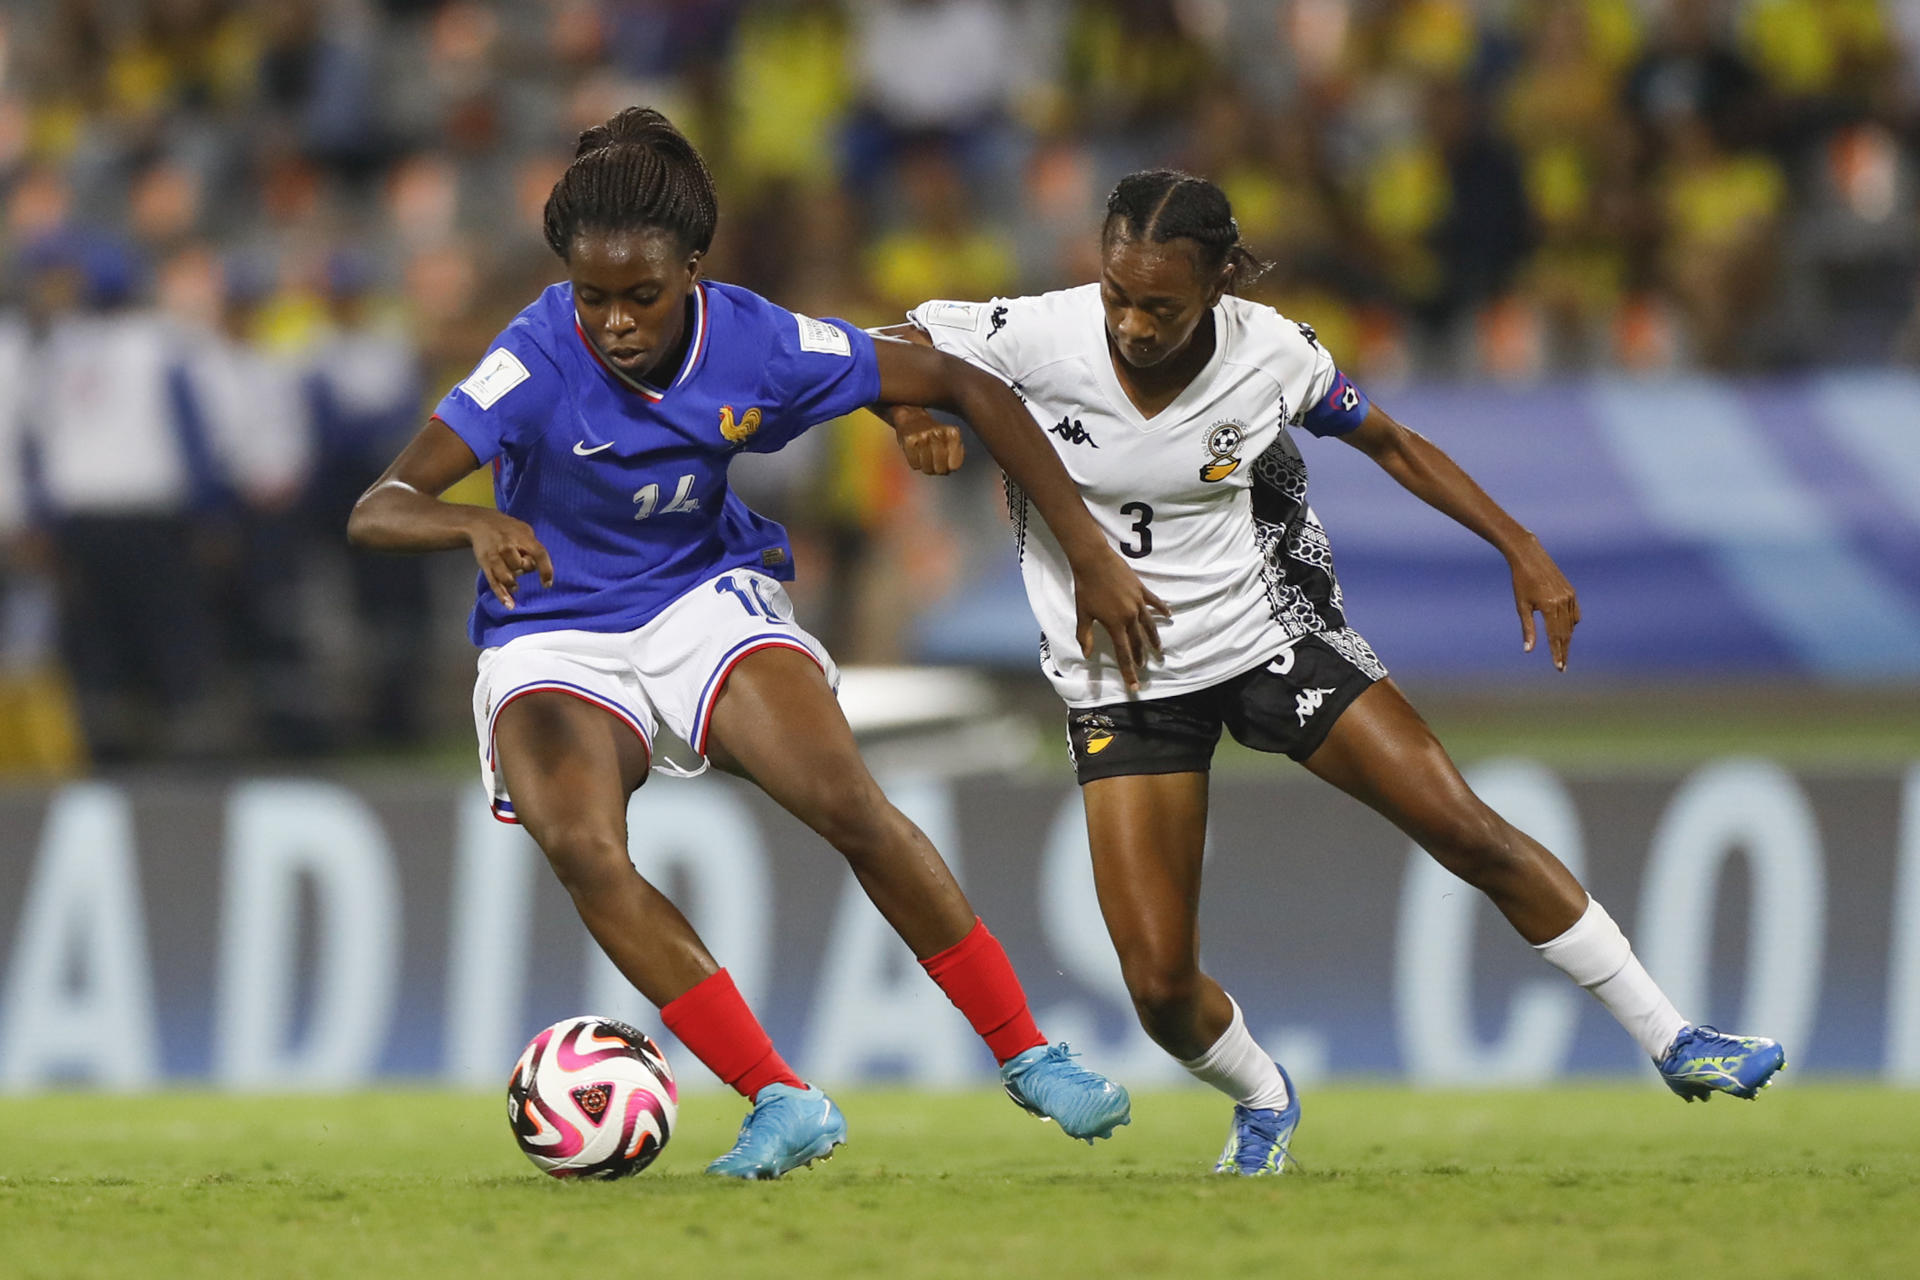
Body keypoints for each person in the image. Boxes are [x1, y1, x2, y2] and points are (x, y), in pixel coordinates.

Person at [879, 170, 1785, 1176]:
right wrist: (910, 415)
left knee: (1466, 828)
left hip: (1266, 638)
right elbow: (897, 347)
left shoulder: (1275, 353)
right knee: (1159, 987)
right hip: (1122, 680)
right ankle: (1262, 1093)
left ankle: (1675, 1036)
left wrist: (1519, 543)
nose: (1133, 324)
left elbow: (1389, 442)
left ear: (1220, 281)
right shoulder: (1031, 335)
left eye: (1161, 306)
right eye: (1118, 295)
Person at [347, 108, 1159, 1180]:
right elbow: (381, 502)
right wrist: (471, 518)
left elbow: (957, 376)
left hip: (699, 599)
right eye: (593, 296)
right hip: (551, 628)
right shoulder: (533, 356)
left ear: (693, 267)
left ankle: (1027, 1052)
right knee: (580, 843)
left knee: (845, 799)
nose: (615, 321)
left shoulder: (756, 339)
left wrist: (1082, 547)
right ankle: (778, 1095)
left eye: (641, 294)